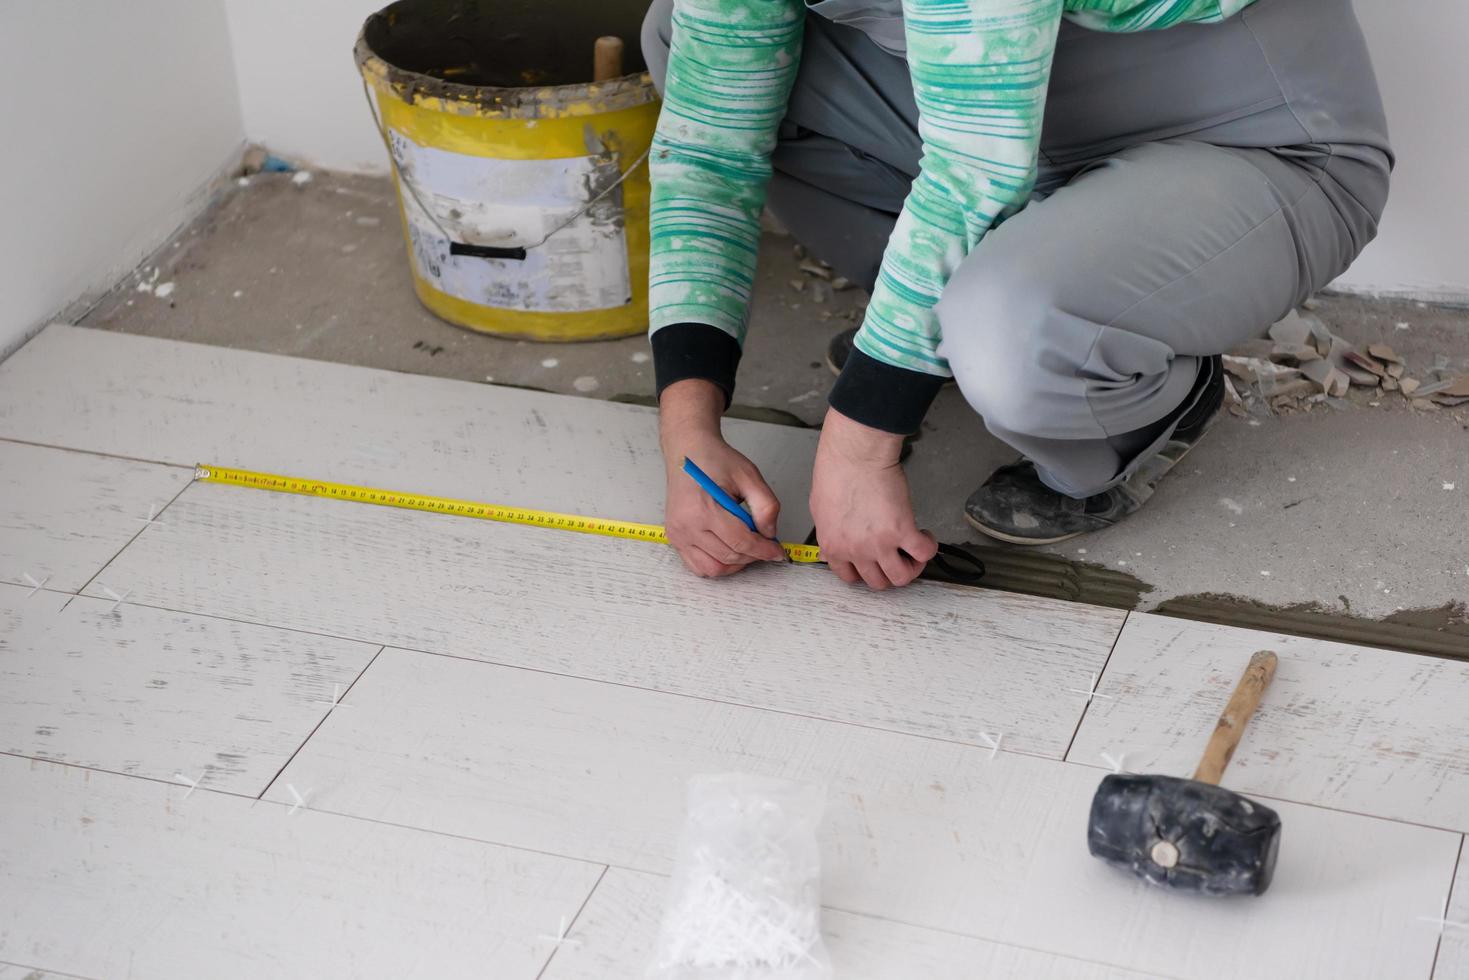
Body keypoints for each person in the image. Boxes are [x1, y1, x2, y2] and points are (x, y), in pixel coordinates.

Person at [641, 0, 1390, 590]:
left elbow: (975, 170)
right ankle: (938, 333)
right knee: (688, 36)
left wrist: (858, 447)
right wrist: (687, 433)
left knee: (1009, 336)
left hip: (1247, 135)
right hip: (1017, 122)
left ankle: (1136, 397)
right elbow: (710, 148)